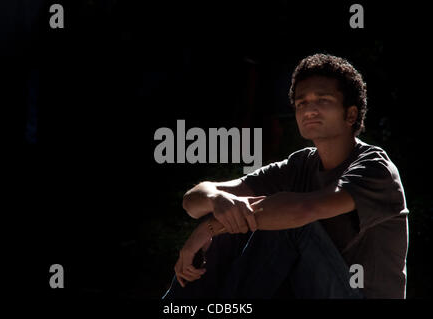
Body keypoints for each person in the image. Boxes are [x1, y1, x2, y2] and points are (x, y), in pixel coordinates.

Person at [162, 53, 409, 299]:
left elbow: (303, 211)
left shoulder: (376, 168)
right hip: (307, 287)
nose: (309, 109)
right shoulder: (300, 164)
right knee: (234, 217)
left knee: (284, 221)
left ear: (351, 114)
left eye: (323, 100)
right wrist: (217, 200)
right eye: (301, 103)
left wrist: (211, 227)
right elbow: (193, 202)